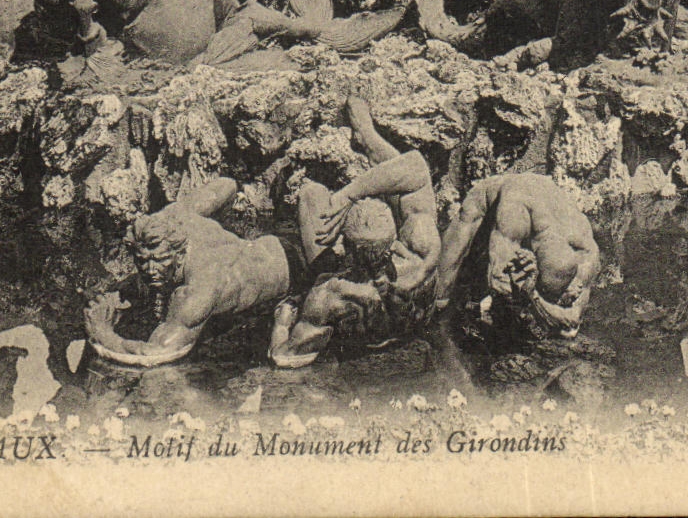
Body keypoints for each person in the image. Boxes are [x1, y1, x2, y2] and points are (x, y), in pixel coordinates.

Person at [268, 97, 443, 367]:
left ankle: (366, 138)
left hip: (357, 330)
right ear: (393, 239)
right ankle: (369, 138)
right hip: (410, 327)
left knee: (311, 194)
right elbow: (416, 169)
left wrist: (282, 322)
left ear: (344, 246)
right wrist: (354, 193)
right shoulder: (420, 253)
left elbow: (284, 356)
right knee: (407, 191)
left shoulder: (328, 296)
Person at [83, 177, 292, 367]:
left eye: (160, 260)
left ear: (179, 251)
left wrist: (104, 334)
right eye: (142, 261)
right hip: (276, 241)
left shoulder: (198, 289)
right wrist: (225, 236)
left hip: (296, 272)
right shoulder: (174, 217)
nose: (150, 270)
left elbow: (156, 353)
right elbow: (227, 185)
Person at [432, 173, 600, 339]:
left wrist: (534, 297)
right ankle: (434, 320)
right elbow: (497, 281)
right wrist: (537, 300)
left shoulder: (587, 255)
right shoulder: (514, 213)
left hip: (548, 203)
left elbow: (571, 327)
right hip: (503, 192)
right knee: (444, 280)